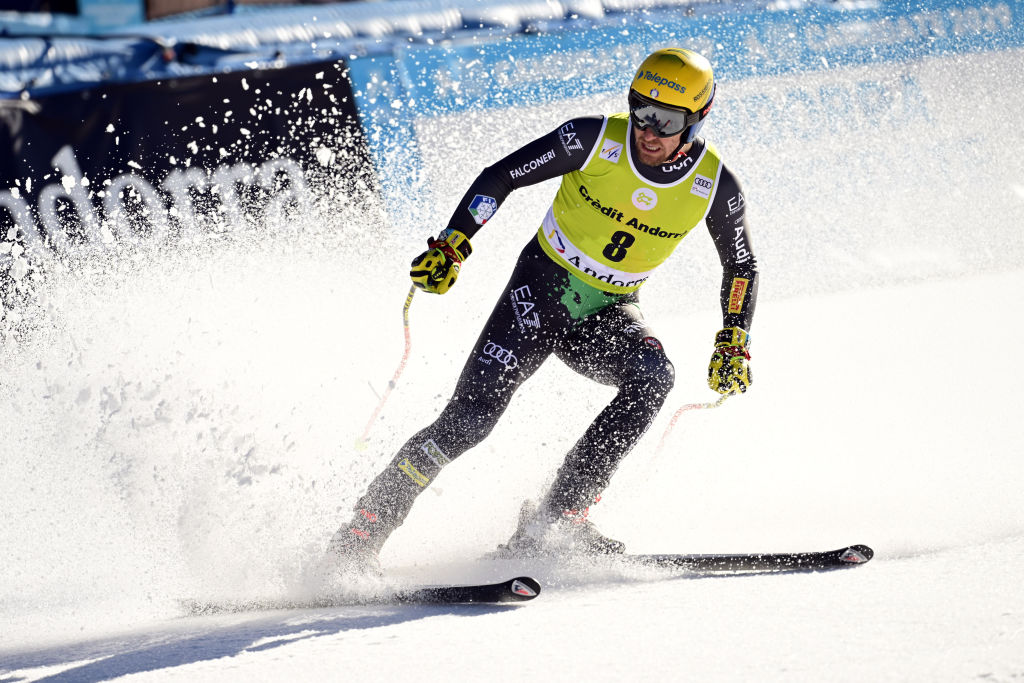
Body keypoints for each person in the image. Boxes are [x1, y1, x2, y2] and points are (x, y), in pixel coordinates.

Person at [326, 47, 758, 574]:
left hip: (609, 310)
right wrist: (454, 242)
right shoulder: (592, 139)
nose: (647, 130)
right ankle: (361, 533)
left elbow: (740, 265)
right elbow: (500, 176)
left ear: (698, 119)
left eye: (666, 122)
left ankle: (557, 520)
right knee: (470, 419)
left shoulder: (715, 186)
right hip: (539, 292)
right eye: (640, 111)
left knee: (653, 378)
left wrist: (734, 338)